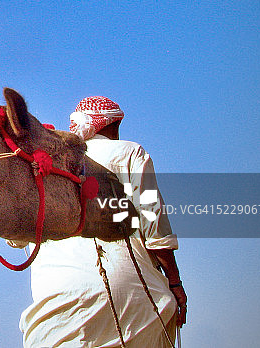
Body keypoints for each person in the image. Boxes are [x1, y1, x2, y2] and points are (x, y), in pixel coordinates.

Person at [18, 96, 187, 348]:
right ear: (113, 125)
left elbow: (16, 237)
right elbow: (153, 224)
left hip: (53, 305)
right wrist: (175, 282)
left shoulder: (46, 165)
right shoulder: (129, 152)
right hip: (129, 296)